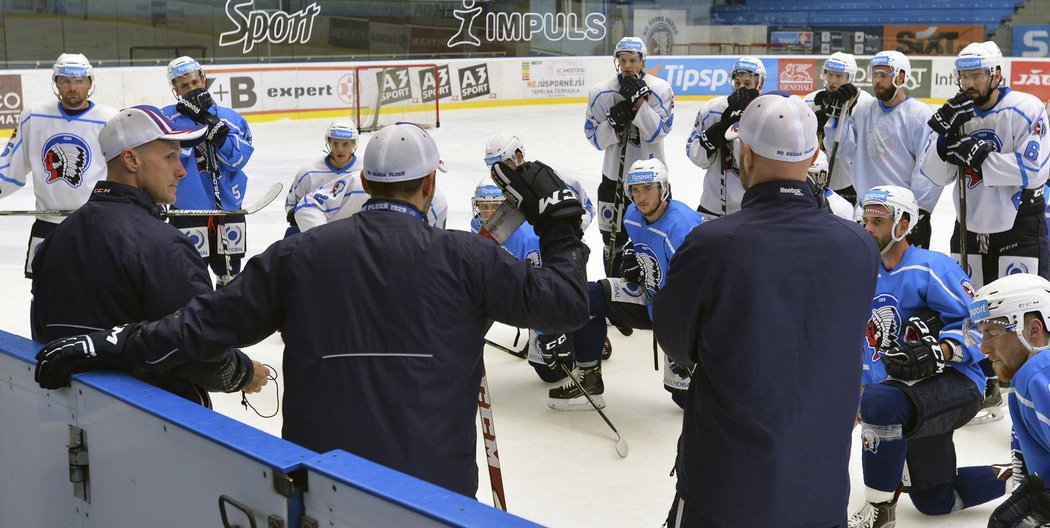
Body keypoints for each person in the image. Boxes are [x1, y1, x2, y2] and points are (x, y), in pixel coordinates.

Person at [33, 123, 590, 499]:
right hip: (434, 497)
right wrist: (561, 227)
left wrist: (110, 344)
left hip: (321, 488)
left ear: (366, 182)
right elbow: (566, 305)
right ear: (430, 184)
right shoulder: (470, 259)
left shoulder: (299, 256)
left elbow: (201, 327)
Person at [653, 93, 880, 526]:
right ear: (814, 153)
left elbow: (677, 345)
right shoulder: (859, 246)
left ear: (746, 154)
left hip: (726, 486)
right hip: (821, 485)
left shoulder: (713, 244)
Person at [31, 105, 268, 405]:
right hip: (155, 422)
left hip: (73, 411)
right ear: (130, 159)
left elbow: (44, 330)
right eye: (170, 157)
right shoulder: (164, 245)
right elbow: (202, 352)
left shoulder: (58, 238)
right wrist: (245, 373)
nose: (181, 170)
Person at [848, 185, 1007, 528]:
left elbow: (983, 326)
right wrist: (863, 385)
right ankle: (1020, 474)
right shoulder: (863, 274)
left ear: (903, 225)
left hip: (955, 384)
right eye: (865, 220)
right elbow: (864, 340)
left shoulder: (933, 267)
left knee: (882, 401)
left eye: (877, 221)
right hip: (899, 393)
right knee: (936, 501)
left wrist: (944, 348)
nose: (867, 228)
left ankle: (879, 512)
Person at [545, 158, 701, 411]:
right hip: (650, 298)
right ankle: (590, 383)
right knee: (585, 297)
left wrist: (684, 338)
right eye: (635, 190)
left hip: (682, 315)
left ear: (665, 187)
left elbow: (701, 286)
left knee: (686, 401)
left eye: (649, 188)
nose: (641, 197)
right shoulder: (631, 216)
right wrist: (633, 257)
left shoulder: (683, 228)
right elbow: (643, 248)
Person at [918, 41, 1050, 288]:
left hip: (1020, 225)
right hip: (968, 224)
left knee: (1020, 309)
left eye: (976, 75)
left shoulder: (1024, 108)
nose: (968, 83)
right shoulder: (957, 112)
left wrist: (981, 158)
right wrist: (943, 144)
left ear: (996, 74)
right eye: (964, 76)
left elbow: (1035, 170)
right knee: (970, 306)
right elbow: (935, 175)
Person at [470, 132, 595, 382]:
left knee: (550, 370)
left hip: (559, 246)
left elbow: (586, 210)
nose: (497, 175)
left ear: (518, 156)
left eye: (502, 165)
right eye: (491, 168)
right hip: (535, 258)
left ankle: (584, 334)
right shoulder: (494, 205)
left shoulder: (550, 176)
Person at [0, 53, 117, 278]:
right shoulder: (34, 116)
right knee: (42, 291)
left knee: (96, 290)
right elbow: (9, 168)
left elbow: (126, 170)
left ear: (90, 83)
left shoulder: (109, 119)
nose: (72, 87)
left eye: (79, 81)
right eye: (65, 81)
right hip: (47, 224)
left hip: (94, 224)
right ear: (56, 83)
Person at [825, 50, 942, 248]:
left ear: (901, 77)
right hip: (867, 213)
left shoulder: (920, 114)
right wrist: (838, 116)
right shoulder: (863, 109)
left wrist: (920, 210)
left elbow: (928, 167)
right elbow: (842, 149)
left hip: (902, 214)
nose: (877, 80)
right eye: (875, 74)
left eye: (883, 75)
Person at [584, 36, 674, 277]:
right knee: (612, 242)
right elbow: (594, 139)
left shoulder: (660, 90)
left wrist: (639, 107)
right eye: (623, 60)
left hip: (652, 179)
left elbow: (659, 132)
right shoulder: (601, 92)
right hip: (614, 179)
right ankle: (614, 292)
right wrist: (613, 124)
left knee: (654, 236)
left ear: (643, 61)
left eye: (633, 60)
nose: (627, 66)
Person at [162, 56, 254, 286]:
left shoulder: (231, 119)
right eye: (184, 85)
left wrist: (217, 132)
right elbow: (162, 162)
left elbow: (238, 161)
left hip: (229, 210)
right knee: (190, 279)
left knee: (230, 277)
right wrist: (192, 126)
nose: (191, 89)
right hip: (187, 212)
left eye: (195, 82)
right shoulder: (166, 119)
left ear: (203, 79)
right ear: (175, 89)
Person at [968, 274, 1050, 527]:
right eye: (981, 334)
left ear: (1033, 330)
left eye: (992, 332)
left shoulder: (1034, 375)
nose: (983, 348)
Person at [686, 56, 763, 220]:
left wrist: (741, 123)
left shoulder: (765, 114)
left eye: (747, 84)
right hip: (712, 207)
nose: (741, 88)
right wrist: (711, 141)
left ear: (760, 85)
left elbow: (756, 166)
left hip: (751, 209)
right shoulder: (713, 109)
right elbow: (695, 155)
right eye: (737, 83)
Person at [804, 51, 874, 205]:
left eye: (839, 76)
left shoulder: (864, 104)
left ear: (850, 78)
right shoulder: (811, 100)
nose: (832, 80)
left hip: (850, 180)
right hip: (815, 178)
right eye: (829, 75)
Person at [284, 120, 362, 237]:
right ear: (328, 142)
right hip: (318, 238)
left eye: (345, 144)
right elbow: (292, 204)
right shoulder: (308, 173)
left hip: (354, 236)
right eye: (335, 143)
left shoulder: (365, 171)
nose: (340, 149)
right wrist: (294, 213)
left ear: (354, 144)